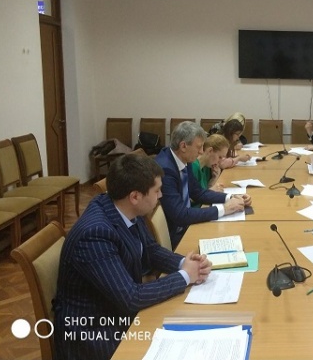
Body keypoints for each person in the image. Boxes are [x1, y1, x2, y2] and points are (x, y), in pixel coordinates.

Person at [53, 154, 212, 360]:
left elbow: (151, 249)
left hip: (116, 309)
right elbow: (131, 297)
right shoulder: (94, 235)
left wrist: (185, 264)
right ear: (135, 196)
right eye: (157, 190)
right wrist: (185, 276)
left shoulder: (122, 207)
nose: (161, 195)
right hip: (94, 332)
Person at [155, 121, 251, 248]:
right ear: (183, 146)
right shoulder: (165, 170)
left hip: (186, 226)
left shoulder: (183, 159)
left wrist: (231, 197)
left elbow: (198, 192)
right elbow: (180, 215)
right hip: (177, 236)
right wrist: (224, 209)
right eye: (199, 147)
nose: (201, 152)